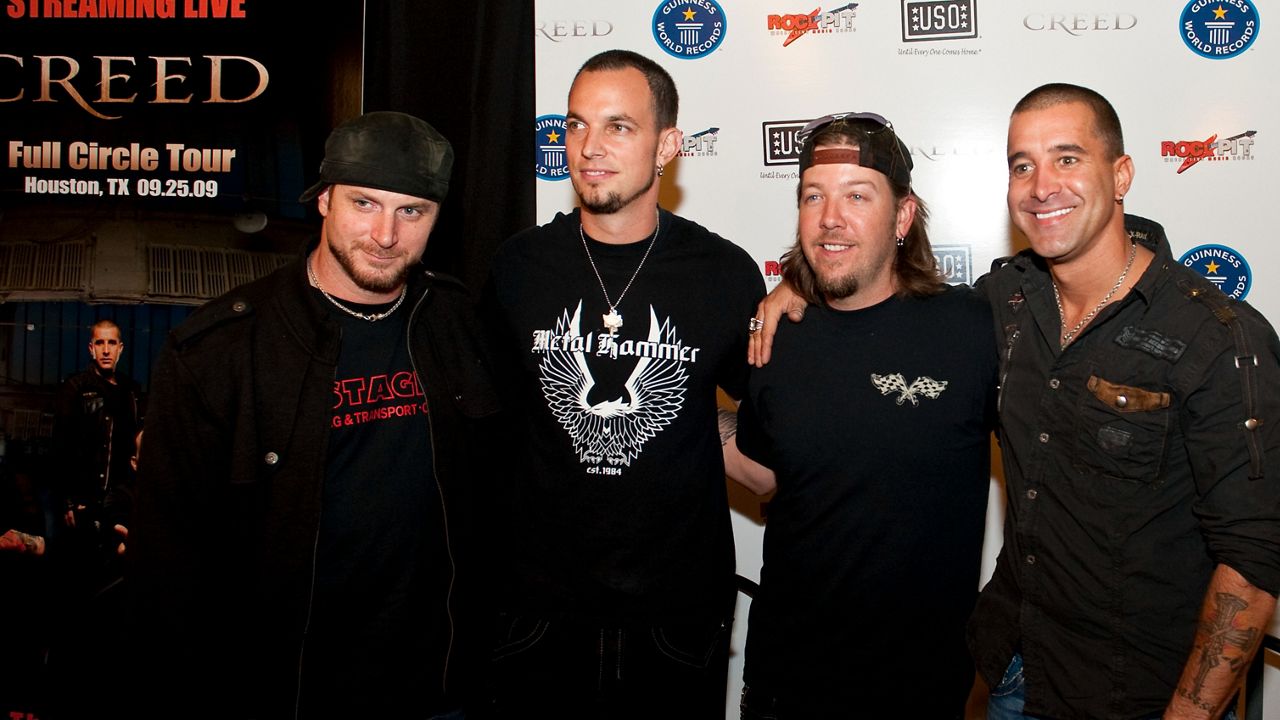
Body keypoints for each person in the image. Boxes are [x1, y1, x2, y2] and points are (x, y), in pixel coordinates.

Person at [752, 84, 1280, 720]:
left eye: (1067, 158)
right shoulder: (1005, 303)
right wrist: (793, 284)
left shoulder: (1220, 335)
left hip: (1143, 690)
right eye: (1022, 165)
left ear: (1121, 175)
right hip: (1012, 670)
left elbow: (1251, 559)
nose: (1041, 184)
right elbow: (875, 309)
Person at [128, 111, 502, 719]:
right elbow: (166, 568)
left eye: (412, 211)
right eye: (364, 203)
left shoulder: (455, 322)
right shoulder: (220, 350)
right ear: (324, 199)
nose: (385, 234)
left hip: (438, 689)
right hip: (289, 693)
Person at [483, 49, 764, 717]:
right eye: (577, 126)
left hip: (675, 616)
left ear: (669, 145)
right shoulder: (518, 268)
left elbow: (771, 420)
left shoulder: (724, 274)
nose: (590, 148)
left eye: (619, 127)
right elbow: (489, 425)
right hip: (537, 613)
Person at [720, 111, 998, 718]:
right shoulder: (778, 334)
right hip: (784, 686)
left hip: (919, 691)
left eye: (857, 196)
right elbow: (769, 473)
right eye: (813, 196)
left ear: (902, 216)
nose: (830, 219)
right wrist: (680, 407)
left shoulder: (975, 330)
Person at [44, 318, 142, 719]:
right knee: (73, 586)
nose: (105, 349)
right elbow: (62, 447)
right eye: (98, 343)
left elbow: (139, 447)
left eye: (112, 343)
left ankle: (106, 679)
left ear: (121, 348)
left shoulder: (134, 392)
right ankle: (61, 677)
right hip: (83, 502)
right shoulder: (75, 389)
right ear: (90, 349)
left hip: (119, 501)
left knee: (114, 588)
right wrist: (69, 500)